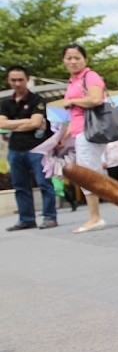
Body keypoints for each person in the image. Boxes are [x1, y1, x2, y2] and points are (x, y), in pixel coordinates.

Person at [62, 44, 118, 233]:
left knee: (87, 174)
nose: (73, 61)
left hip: (89, 131)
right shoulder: (72, 81)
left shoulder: (90, 76)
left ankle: (95, 217)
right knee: (96, 174)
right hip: (79, 132)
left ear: (85, 60)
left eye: (77, 57)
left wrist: (72, 101)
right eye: (68, 58)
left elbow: (96, 99)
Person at [0, 66, 58, 231]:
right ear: (8, 81)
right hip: (15, 149)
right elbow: (2, 123)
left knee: (44, 182)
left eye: (20, 79)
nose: (17, 83)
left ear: (27, 79)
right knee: (20, 185)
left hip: (37, 148)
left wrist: (13, 125)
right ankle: (26, 219)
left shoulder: (37, 100)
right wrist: (25, 124)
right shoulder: (6, 103)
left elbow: (35, 122)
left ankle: (49, 217)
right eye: (13, 80)